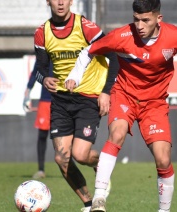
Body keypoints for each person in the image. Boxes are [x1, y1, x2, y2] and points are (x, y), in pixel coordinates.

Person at [65, 0, 177, 211]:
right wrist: (75, 76)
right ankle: (99, 199)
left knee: (163, 159)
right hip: (125, 96)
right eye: (136, 19)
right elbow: (89, 51)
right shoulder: (122, 36)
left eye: (145, 20)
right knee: (117, 133)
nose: (139, 25)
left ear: (159, 19)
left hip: (155, 104)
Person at [32, 0, 119, 211]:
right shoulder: (42, 33)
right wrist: (44, 79)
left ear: (71, 1)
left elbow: (114, 57)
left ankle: (100, 165)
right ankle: (89, 204)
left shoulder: (87, 28)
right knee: (62, 159)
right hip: (61, 101)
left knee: (80, 155)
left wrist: (106, 92)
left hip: (88, 98)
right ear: (48, 1)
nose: (60, 2)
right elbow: (39, 69)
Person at [23, 62, 53, 179]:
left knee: (64, 136)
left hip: (63, 99)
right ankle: (41, 170)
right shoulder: (44, 53)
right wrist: (28, 90)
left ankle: (69, 167)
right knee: (42, 135)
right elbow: (36, 70)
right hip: (45, 100)